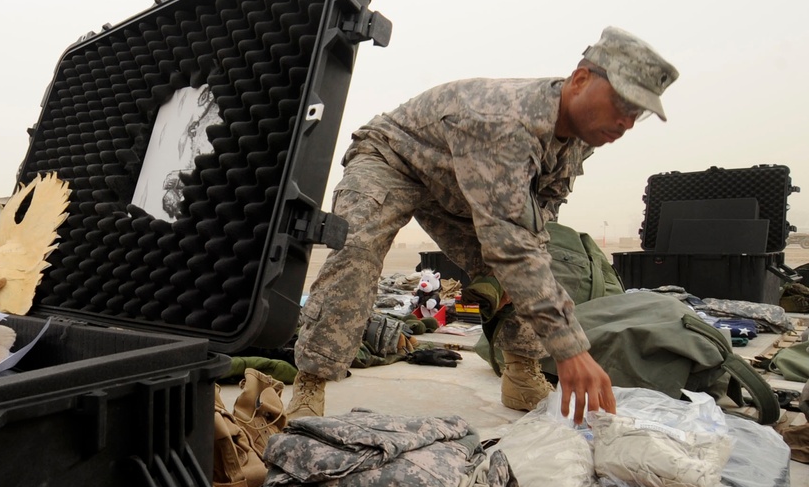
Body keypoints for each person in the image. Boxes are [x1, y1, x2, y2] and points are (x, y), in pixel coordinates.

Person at [287, 26, 679, 424]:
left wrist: (510, 277)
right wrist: (571, 349)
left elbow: (539, 212)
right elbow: (509, 243)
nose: (626, 122)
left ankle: (521, 372)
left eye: (638, 114)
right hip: (395, 159)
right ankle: (311, 381)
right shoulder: (505, 124)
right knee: (357, 250)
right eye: (622, 103)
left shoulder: (579, 136)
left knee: (534, 264)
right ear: (580, 80)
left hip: (459, 184)